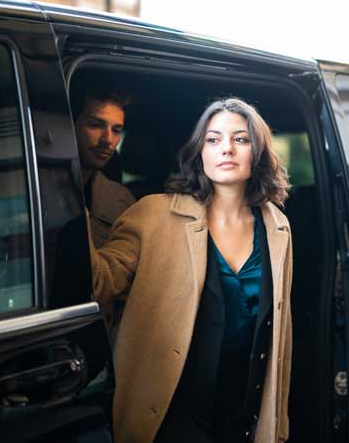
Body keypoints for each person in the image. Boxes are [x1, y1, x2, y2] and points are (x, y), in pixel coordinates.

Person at [89, 97, 293, 443]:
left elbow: (281, 336)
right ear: (200, 151)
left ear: (257, 152)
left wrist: (278, 424)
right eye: (213, 140)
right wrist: (64, 200)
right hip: (171, 416)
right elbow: (100, 284)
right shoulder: (152, 215)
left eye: (240, 139)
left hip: (244, 413)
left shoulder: (278, 227)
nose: (226, 148)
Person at [73, 89, 136, 248]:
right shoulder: (36, 185)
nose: (107, 140)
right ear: (71, 125)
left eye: (116, 130)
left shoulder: (123, 201)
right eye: (95, 125)